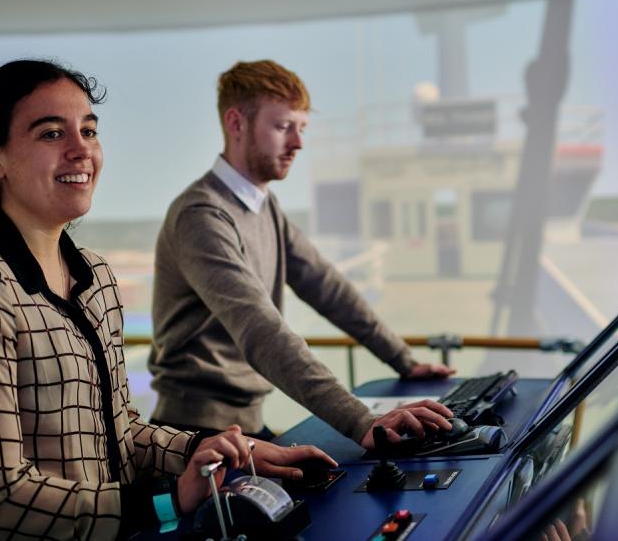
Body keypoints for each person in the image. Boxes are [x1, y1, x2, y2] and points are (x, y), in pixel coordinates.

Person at [0, 59, 332, 540]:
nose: (82, 151)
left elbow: (123, 436)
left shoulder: (95, 276)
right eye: (51, 134)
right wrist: (167, 498)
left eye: (89, 131)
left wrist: (234, 450)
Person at [149, 59, 456, 450]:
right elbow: (260, 329)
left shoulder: (266, 207)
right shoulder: (202, 215)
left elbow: (327, 288)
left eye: (302, 128)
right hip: (195, 436)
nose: (298, 143)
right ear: (236, 123)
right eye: (282, 127)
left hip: (243, 428)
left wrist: (404, 361)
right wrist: (361, 421)